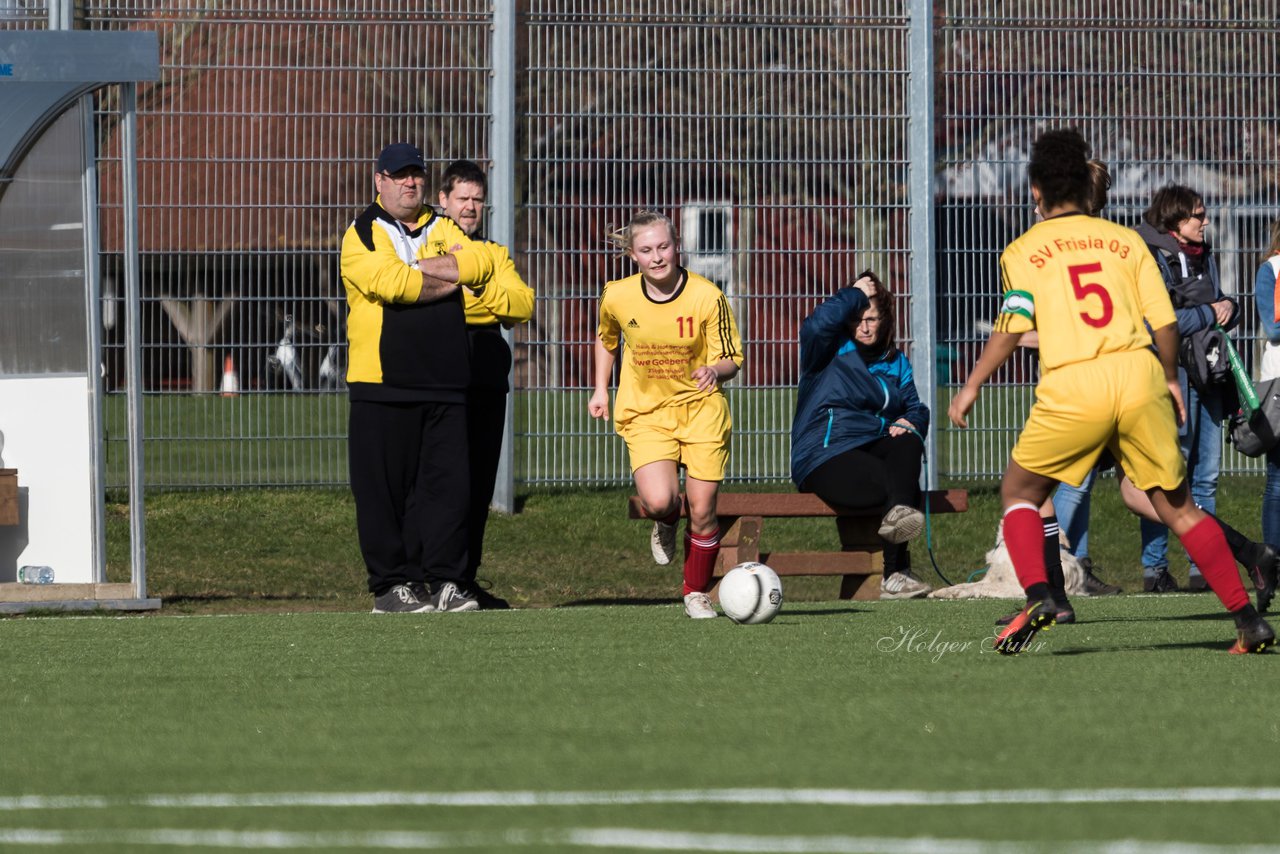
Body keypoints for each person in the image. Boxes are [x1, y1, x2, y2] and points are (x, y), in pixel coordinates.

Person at [948, 127, 1275, 655]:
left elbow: (1011, 326)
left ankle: (1041, 597)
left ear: (1037, 192)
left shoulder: (1024, 249)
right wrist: (1169, 376)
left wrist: (970, 387)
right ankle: (1247, 620)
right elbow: (1164, 321)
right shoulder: (1127, 240)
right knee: (1180, 507)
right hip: (1138, 375)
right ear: (1085, 186)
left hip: (1075, 383)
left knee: (1020, 493)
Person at [340, 142, 496, 614]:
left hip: (447, 381)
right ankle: (391, 586)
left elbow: (479, 264)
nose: (411, 182)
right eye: (400, 174)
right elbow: (390, 284)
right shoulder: (363, 231)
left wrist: (418, 271)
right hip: (382, 382)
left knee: (448, 489)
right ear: (379, 180)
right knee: (384, 492)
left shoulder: (444, 224)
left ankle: (447, 581)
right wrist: (444, 277)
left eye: (417, 174)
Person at [588, 210, 744, 619]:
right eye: (646, 250)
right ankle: (667, 521)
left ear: (677, 246)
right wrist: (602, 389)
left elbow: (731, 358)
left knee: (705, 508)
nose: (657, 257)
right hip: (647, 412)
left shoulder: (707, 296)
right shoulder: (617, 295)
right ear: (633, 255)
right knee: (659, 501)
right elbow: (606, 341)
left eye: (663, 247)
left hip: (701, 412)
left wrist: (715, 369)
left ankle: (695, 591)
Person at [790, 270, 932, 599]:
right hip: (826, 455)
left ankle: (894, 576)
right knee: (900, 485)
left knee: (908, 444)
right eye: (857, 318)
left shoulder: (897, 362)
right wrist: (854, 293)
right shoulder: (827, 349)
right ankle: (897, 570)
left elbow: (916, 408)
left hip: (874, 449)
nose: (864, 327)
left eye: (872, 318)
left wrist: (912, 423)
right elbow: (815, 325)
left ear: (885, 320)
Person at [436, 159, 536, 610]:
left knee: (478, 482)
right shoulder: (426, 246)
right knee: (443, 480)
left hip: (485, 371)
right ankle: (431, 577)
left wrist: (477, 292)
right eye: (463, 198)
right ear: (443, 201)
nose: (471, 207)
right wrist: (483, 296)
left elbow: (521, 304)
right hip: (440, 367)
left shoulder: (494, 253)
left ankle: (464, 579)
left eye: (478, 200)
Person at [1134, 186, 1238, 592]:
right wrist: (1207, 314)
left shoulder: (1202, 253)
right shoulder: (1151, 255)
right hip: (1170, 376)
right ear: (1177, 222)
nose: (1206, 222)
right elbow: (1155, 322)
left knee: (1206, 477)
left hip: (1209, 373)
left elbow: (1214, 302)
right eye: (1198, 216)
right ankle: (1155, 569)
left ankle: (1204, 566)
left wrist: (1228, 308)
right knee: (1165, 475)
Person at [1255, 219, 1280, 605]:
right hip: (1279, 383)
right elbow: (1273, 328)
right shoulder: (1271, 269)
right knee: (1278, 478)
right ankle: (1271, 561)